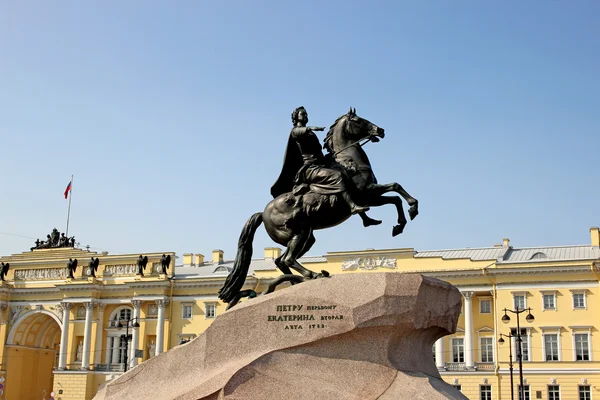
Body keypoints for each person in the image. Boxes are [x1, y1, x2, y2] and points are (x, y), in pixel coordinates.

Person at [271, 106, 369, 215]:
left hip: (319, 164)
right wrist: (310, 128)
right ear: (296, 118)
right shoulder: (296, 131)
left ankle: (364, 217)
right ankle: (352, 206)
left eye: (306, 114)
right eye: (302, 114)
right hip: (310, 169)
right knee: (337, 176)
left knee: (346, 173)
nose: (305, 116)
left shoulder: (308, 133)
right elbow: (298, 131)